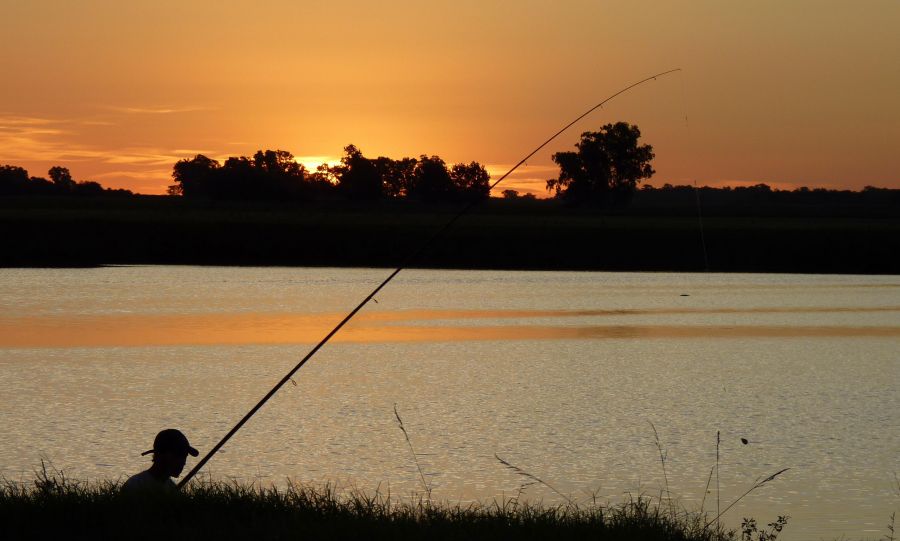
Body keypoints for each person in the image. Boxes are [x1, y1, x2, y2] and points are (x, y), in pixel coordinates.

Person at [122, 429, 199, 494]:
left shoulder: (172, 488)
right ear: (160, 454)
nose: (183, 462)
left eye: (184, 456)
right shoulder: (135, 485)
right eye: (178, 455)